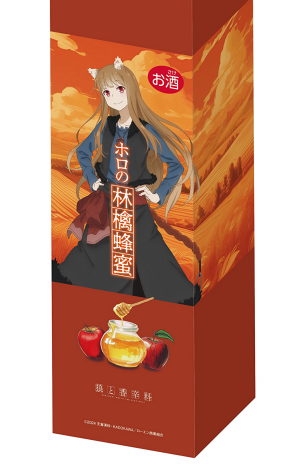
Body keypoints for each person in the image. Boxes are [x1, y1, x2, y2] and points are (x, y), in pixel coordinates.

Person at [52, 57, 202, 305]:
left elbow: (175, 166)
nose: (114, 97)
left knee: (149, 256)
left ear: (130, 88)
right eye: (106, 92)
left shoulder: (146, 131)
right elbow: (83, 152)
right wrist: (92, 178)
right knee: (97, 256)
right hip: (107, 203)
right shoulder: (105, 127)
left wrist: (158, 193)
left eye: (119, 89)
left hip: (135, 205)